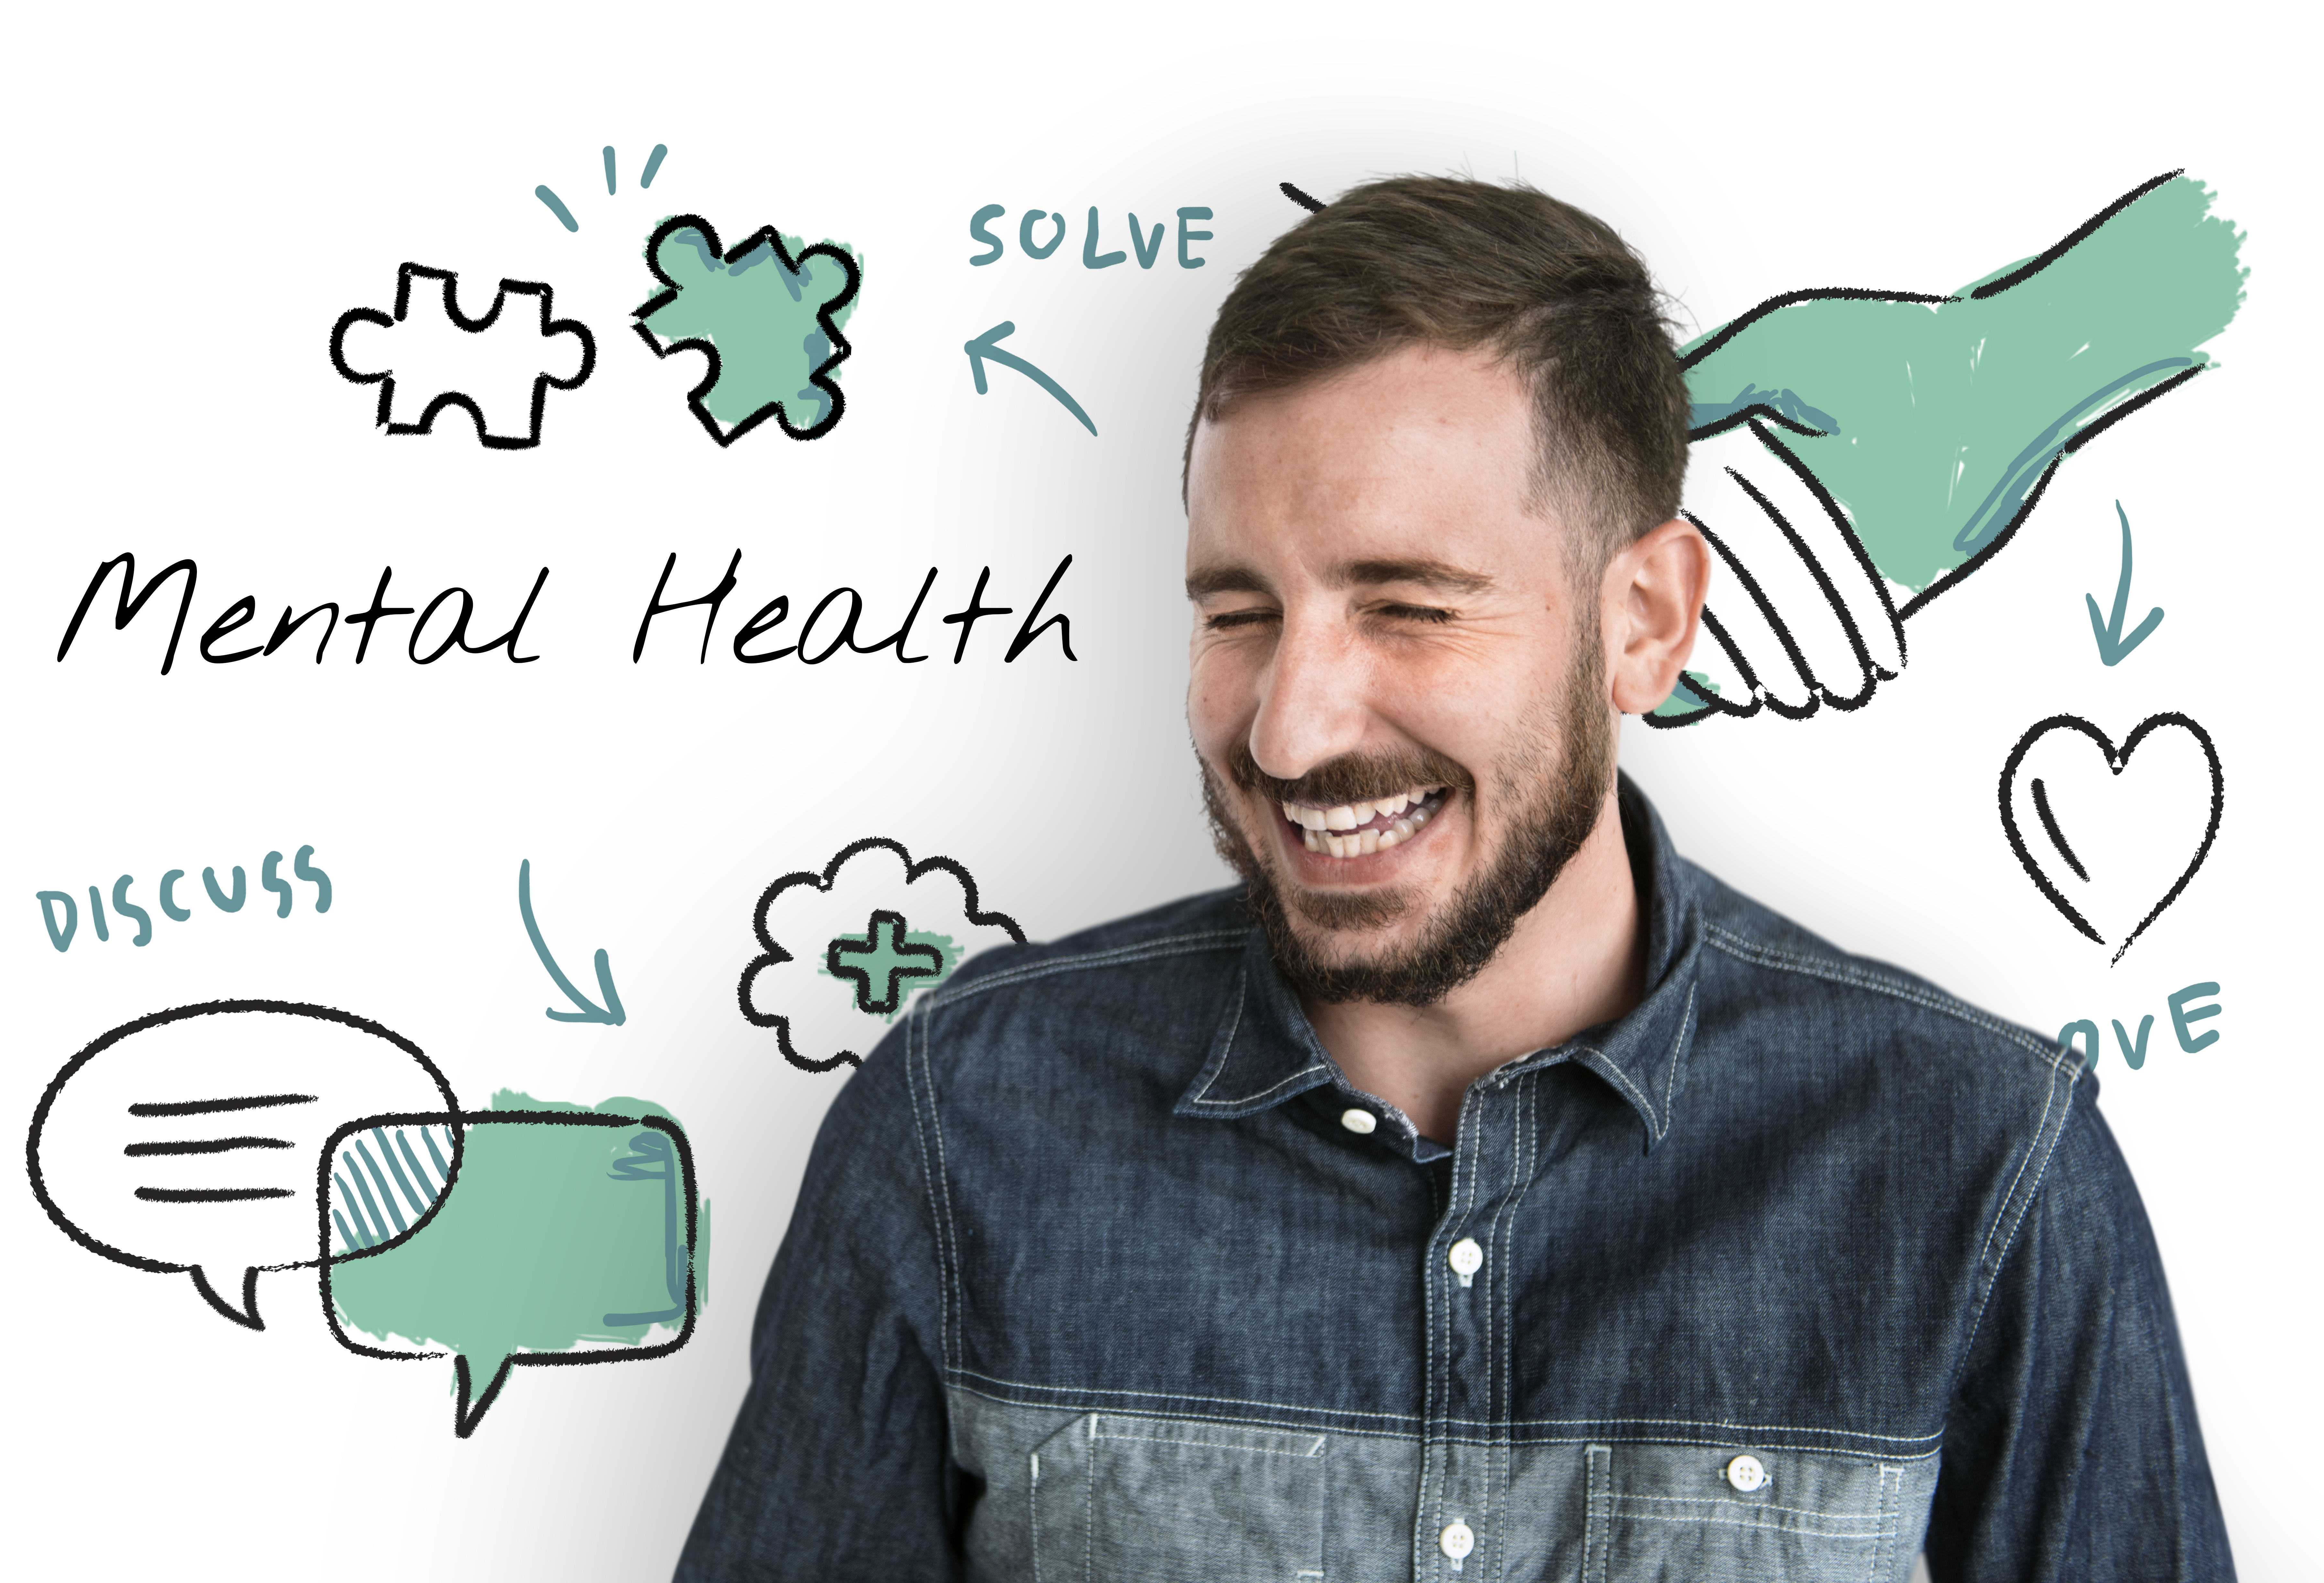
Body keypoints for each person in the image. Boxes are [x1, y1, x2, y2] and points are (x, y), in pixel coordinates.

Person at [676, 178, 2232, 1582]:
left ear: (1643, 622)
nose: (1288, 729)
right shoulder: (960, 1124)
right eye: (1236, 612)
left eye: (1409, 606)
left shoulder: (1980, 1162)